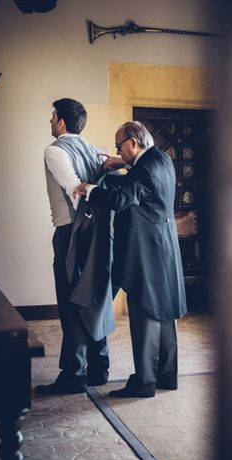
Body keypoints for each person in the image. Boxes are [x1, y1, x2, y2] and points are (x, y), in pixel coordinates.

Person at [74, 121, 187, 398]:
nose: (117, 151)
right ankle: (167, 377)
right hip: (163, 247)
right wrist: (120, 165)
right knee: (164, 312)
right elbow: (138, 181)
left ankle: (144, 383)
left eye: (119, 146)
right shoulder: (162, 159)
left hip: (145, 252)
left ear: (133, 143)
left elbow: (122, 199)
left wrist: (88, 189)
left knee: (144, 312)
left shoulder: (144, 169)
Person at [36, 98, 114, 395]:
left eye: (53, 116)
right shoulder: (93, 149)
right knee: (95, 295)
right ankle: (99, 367)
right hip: (98, 230)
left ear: (62, 123)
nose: (50, 121)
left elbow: (75, 190)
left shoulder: (53, 150)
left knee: (71, 301)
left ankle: (74, 373)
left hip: (71, 232)